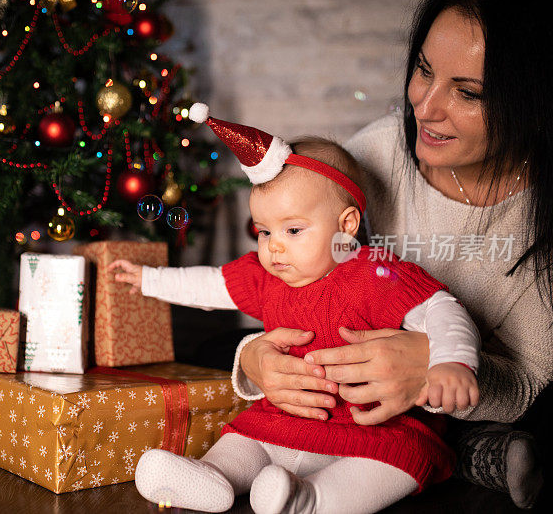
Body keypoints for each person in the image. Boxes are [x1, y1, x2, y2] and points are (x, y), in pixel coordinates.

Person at [235, 0, 552, 509]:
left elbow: (531, 384)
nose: (425, 108)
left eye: (468, 92)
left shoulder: (538, 217)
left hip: (447, 424)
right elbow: (283, 274)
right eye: (424, 70)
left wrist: (437, 368)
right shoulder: (379, 153)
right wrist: (255, 362)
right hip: (334, 412)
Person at [112, 106, 481, 514]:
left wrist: (453, 361)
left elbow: (441, 307)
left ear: (347, 225)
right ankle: (212, 478)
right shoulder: (269, 277)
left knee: (396, 462)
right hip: (285, 418)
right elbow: (212, 283)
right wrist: (149, 280)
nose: (274, 246)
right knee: (246, 438)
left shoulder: (375, 273)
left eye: (293, 230)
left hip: (369, 427)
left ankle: (311, 500)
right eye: (264, 231)